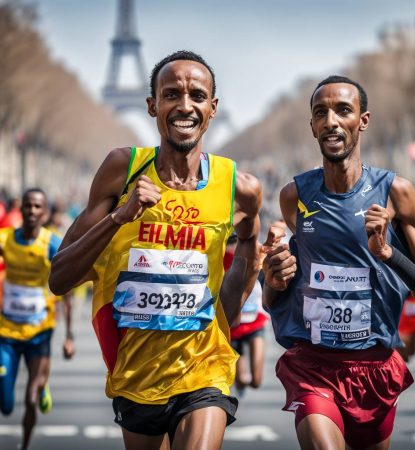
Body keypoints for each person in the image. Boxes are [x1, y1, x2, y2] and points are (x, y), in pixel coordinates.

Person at [49, 50, 265, 450]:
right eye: (171, 95)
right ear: (152, 105)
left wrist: (228, 311)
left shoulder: (240, 186)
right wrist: (119, 217)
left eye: (197, 96)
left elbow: (250, 239)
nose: (185, 106)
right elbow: (60, 277)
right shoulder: (122, 170)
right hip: (136, 374)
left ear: (213, 108)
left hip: (205, 369)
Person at [262, 75, 415, 450]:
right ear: (312, 126)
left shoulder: (397, 193)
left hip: (374, 368)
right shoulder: (294, 195)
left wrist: (388, 254)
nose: (331, 121)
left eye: (343, 110)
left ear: (363, 119)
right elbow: (276, 294)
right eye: (320, 113)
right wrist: (273, 279)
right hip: (313, 366)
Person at [0, 188, 75, 450]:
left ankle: (24, 445)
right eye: (28, 206)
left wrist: (68, 335)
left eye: (37, 207)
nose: (32, 211)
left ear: (45, 213)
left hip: (40, 330)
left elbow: (66, 290)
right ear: (21, 210)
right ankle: (40, 384)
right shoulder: (6, 239)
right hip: (7, 332)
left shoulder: (52, 243)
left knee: (30, 398)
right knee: (6, 405)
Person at [225, 234, 268, 398]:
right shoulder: (223, 258)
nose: (233, 248)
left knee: (256, 381)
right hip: (234, 326)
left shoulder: (256, 257)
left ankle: (244, 381)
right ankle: (240, 383)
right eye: (231, 244)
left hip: (256, 322)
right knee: (241, 379)